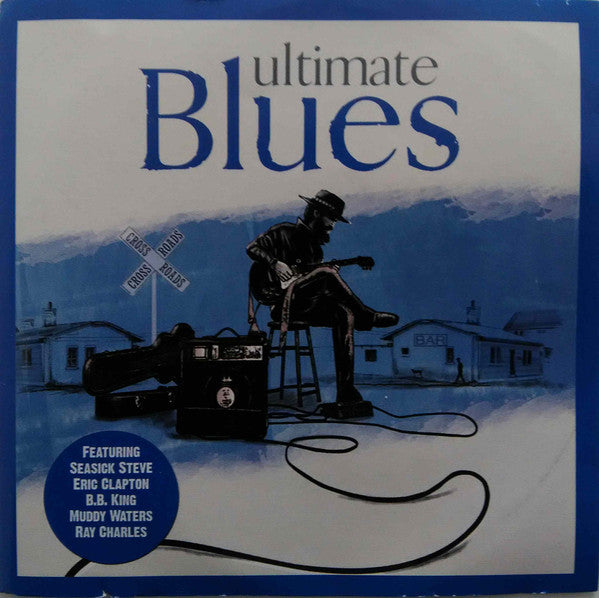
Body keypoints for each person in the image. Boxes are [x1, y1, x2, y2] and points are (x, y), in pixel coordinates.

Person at [247, 189, 398, 405]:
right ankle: (366, 316)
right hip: (280, 304)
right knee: (326, 275)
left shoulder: (315, 251)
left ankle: (346, 392)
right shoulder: (283, 232)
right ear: (317, 213)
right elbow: (252, 247)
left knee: (343, 313)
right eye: (331, 219)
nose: (332, 225)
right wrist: (275, 263)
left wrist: (324, 276)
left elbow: (308, 282)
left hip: (302, 304)